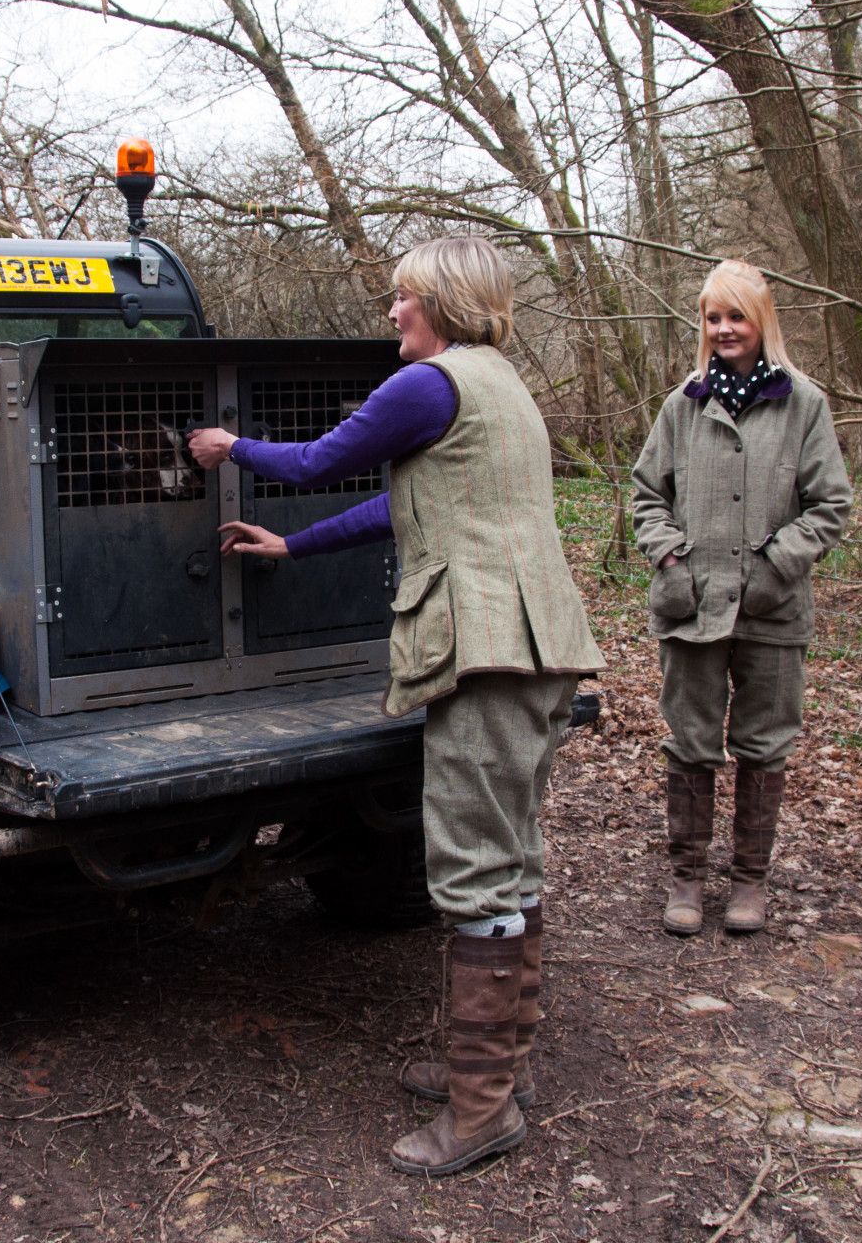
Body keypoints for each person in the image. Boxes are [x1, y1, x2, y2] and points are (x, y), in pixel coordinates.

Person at [187, 237, 604, 1179]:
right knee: (514, 853)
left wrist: (229, 446)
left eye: (402, 296)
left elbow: (319, 461)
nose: (391, 313)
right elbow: (403, 509)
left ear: (444, 300)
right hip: (537, 646)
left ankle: (482, 1112)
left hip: (487, 649)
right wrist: (295, 552)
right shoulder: (496, 381)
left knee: (470, 863)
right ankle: (495, 1077)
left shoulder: (427, 384)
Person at [630, 260, 852, 936]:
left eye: (736, 316)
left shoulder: (803, 404)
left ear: (762, 323)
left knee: (764, 746)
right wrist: (670, 557)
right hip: (691, 606)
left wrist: (773, 566)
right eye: (713, 317)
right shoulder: (683, 404)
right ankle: (688, 878)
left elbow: (830, 504)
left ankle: (750, 881)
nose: (724, 329)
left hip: (771, 610)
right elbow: (646, 495)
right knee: (691, 743)